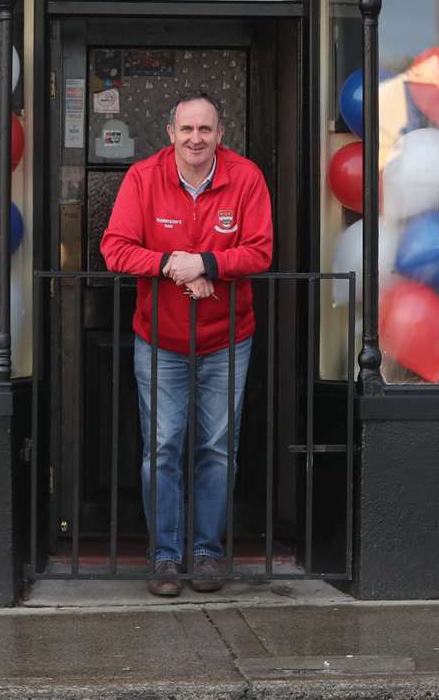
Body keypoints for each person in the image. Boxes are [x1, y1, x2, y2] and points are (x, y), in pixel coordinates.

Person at [100, 90, 274, 597]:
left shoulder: (245, 178)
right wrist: (174, 265)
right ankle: (165, 557)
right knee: (162, 447)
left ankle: (207, 554)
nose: (195, 139)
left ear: (221, 135)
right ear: (169, 134)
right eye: (186, 130)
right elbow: (115, 248)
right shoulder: (143, 178)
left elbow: (261, 250)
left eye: (206, 130)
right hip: (160, 339)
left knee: (218, 449)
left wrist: (209, 266)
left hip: (227, 339)